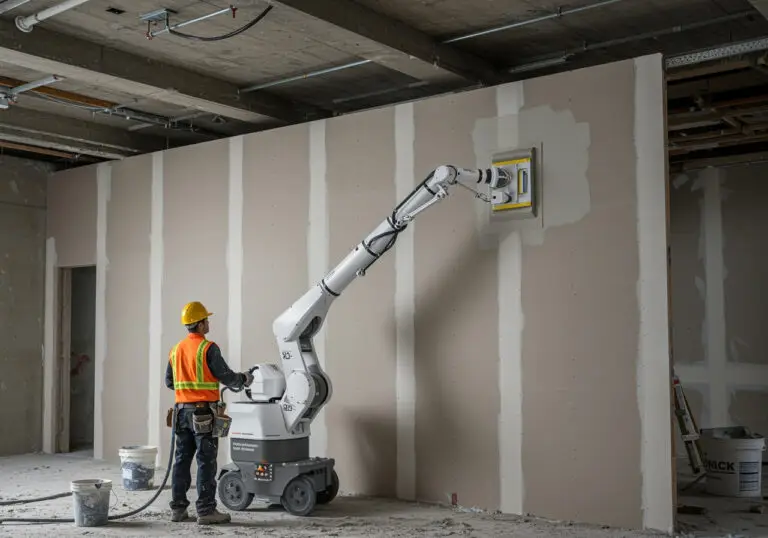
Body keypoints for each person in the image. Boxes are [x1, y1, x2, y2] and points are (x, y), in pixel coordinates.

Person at [165, 300, 254, 525]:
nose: (209, 322)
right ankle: (206, 511)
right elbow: (226, 376)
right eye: (207, 319)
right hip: (202, 414)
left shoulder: (175, 350)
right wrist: (243, 379)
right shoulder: (208, 348)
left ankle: (178, 509)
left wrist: (188, 389)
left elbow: (169, 382)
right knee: (206, 461)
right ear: (201, 324)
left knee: (181, 461)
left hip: (180, 413)